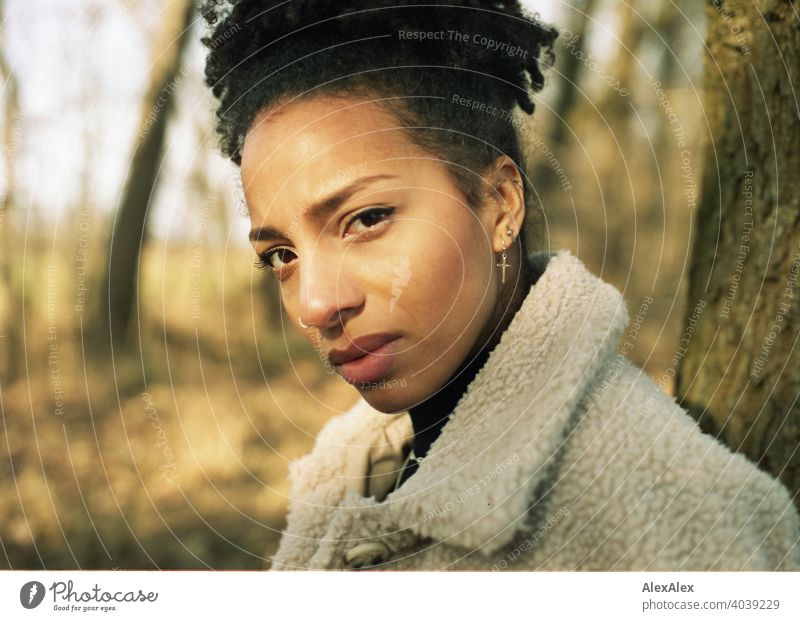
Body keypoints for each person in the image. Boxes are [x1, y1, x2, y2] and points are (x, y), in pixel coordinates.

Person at [200, 0, 800, 570]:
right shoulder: (345, 474)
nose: (316, 304)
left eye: (366, 219)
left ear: (498, 203)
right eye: (281, 255)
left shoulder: (678, 518)